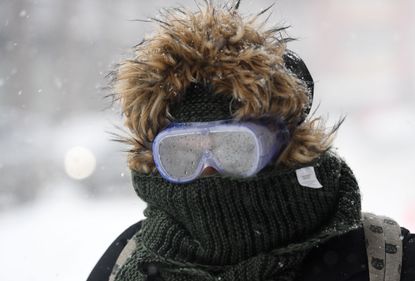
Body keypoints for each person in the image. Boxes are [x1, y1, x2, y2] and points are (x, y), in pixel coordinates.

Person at [88, 1, 415, 281]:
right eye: (182, 155)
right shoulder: (125, 263)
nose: (209, 171)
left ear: (284, 149)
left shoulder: (385, 261)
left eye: (234, 149)